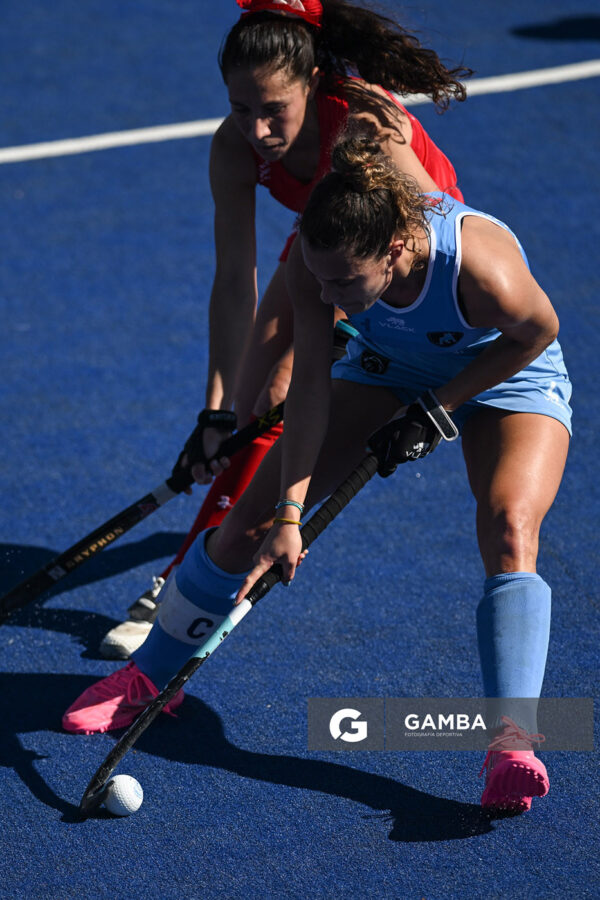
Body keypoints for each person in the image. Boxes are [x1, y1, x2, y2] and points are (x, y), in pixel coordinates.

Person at [64, 132, 572, 813]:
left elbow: (537, 331)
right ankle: (149, 677)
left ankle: (513, 742)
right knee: (246, 518)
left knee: (511, 527)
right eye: (320, 278)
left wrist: (439, 408)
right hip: (391, 368)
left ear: (394, 251)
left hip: (506, 371)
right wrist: (289, 515)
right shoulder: (317, 260)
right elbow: (308, 388)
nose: (328, 294)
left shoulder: (481, 269)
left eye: (344, 283)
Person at [99, 0, 470, 659]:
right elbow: (232, 277)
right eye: (242, 109)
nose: (259, 129)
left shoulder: (361, 125)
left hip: (399, 247)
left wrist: (350, 335)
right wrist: (214, 411)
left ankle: (185, 581)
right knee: (250, 404)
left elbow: (416, 246)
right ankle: (208, 561)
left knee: (280, 395)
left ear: (314, 84)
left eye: (275, 110)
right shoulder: (233, 148)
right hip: (324, 241)